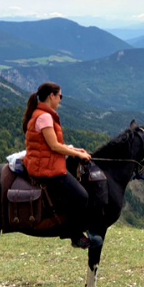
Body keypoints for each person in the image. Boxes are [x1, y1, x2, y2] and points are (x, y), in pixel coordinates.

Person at [22, 82, 91, 249]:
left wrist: (71, 149)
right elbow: (53, 146)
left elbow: (48, 144)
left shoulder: (39, 113)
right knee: (82, 196)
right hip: (46, 168)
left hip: (42, 161)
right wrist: (79, 154)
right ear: (51, 96)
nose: (60, 99)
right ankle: (75, 235)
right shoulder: (45, 117)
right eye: (60, 96)